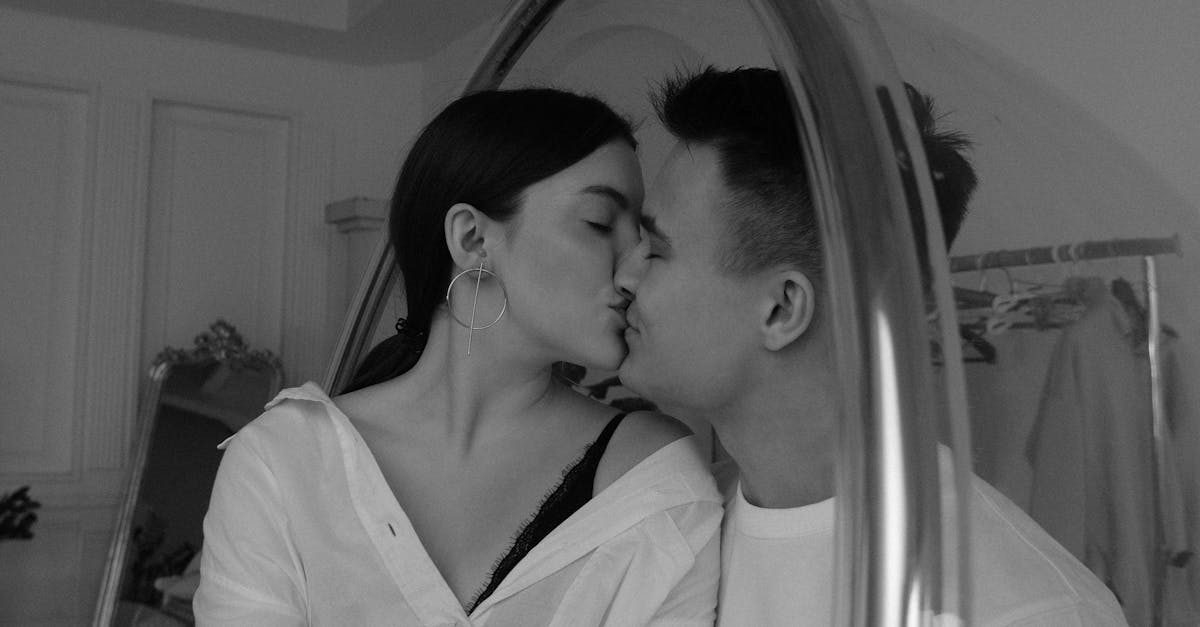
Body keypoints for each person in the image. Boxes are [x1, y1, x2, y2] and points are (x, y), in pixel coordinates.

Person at [614, 66, 1129, 625]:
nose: (623, 275)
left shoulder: (1021, 609)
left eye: (656, 250)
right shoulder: (672, 531)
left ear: (783, 308)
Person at [194, 87, 722, 626]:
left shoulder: (650, 480)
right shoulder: (282, 461)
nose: (635, 264)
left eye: (641, 235)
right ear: (472, 239)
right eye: (599, 222)